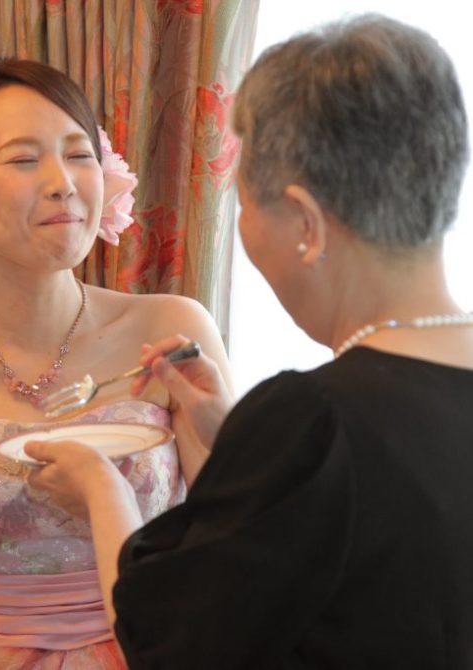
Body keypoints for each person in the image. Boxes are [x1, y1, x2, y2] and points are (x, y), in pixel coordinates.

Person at [24, 14, 473, 669]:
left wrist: (102, 487)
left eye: (242, 202)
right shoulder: (323, 429)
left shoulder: (315, 420)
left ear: (306, 223)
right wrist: (243, 438)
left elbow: (170, 645)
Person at [0, 59, 232, 669]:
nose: (62, 182)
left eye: (79, 154)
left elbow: (236, 545)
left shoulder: (172, 329)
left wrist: (229, 428)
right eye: (24, 159)